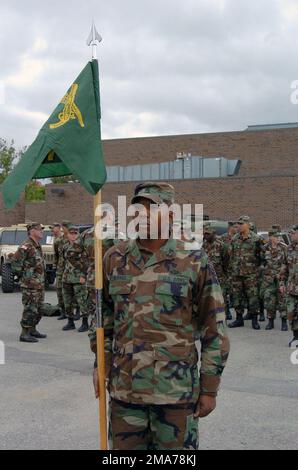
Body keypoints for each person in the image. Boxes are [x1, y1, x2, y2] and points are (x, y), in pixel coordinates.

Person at [91, 182, 230, 450]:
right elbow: (103, 318)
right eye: (137, 209)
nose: (142, 215)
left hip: (174, 396)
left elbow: (215, 329)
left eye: (152, 208)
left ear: (170, 215)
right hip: (125, 394)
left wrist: (209, 388)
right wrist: (101, 361)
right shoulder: (114, 258)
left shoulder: (193, 260)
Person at [10, 222, 47, 343]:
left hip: (39, 284)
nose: (42, 231)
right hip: (30, 285)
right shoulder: (26, 246)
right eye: (39, 229)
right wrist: (26, 276)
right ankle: (24, 333)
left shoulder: (36, 245)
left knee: (39, 309)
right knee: (30, 309)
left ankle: (32, 329)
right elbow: (15, 264)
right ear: (31, 231)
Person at [229, 215, 262, 330]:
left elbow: (261, 256)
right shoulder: (234, 239)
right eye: (238, 224)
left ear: (248, 225)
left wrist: (257, 270)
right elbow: (231, 255)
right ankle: (239, 319)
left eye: (241, 224)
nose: (239, 226)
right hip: (237, 274)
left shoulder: (256, 239)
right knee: (237, 297)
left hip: (251, 274)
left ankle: (254, 320)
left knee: (253, 297)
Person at [62, 225, 89, 332]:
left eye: (75, 233)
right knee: (67, 301)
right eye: (71, 233)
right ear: (67, 235)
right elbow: (63, 262)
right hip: (67, 277)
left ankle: (85, 323)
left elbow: (87, 262)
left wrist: (84, 275)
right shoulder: (64, 247)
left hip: (79, 278)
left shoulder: (83, 248)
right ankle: (70, 321)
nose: (73, 236)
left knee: (82, 301)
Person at [260, 228, 288, 331]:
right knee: (269, 300)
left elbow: (288, 262)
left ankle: (284, 322)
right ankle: (270, 322)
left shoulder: (284, 247)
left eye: (279, 236)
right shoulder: (265, 248)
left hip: (281, 279)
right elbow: (262, 261)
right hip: (269, 279)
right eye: (276, 236)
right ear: (270, 237)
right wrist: (263, 268)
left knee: (282, 300)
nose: (278, 238)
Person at [203, 223, 230, 320]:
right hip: (207, 276)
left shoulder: (221, 245)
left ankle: (223, 316)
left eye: (208, 234)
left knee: (221, 297)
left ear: (213, 234)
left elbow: (226, 261)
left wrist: (224, 273)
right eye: (204, 233)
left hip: (220, 277)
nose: (206, 236)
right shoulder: (203, 245)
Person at [280, 225, 298, 347]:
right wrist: (282, 283)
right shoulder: (289, 249)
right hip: (292, 288)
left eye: (293, 233)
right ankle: (296, 337)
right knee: (291, 314)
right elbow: (284, 268)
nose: (291, 235)